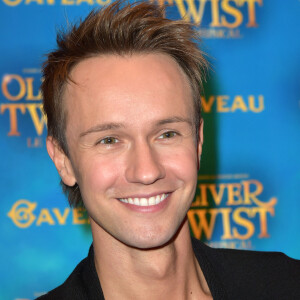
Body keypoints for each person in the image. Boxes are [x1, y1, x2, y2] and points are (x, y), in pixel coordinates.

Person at [37, 1, 300, 299]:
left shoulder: (287, 284)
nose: (147, 171)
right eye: (109, 140)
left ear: (198, 141)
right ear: (63, 160)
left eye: (167, 134)